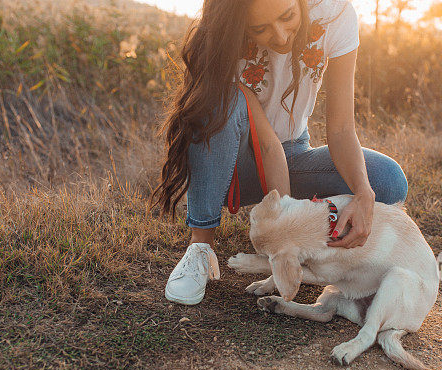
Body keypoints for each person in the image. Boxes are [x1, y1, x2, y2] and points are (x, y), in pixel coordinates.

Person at [153, 0, 409, 305]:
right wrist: (284, 228)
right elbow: (267, 146)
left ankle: (323, 248)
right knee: (220, 102)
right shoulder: (221, 36)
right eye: (259, 28)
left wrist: (364, 195)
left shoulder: (335, 13)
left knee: (387, 180)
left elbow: (340, 129)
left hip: (292, 149)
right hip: (227, 166)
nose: (281, 35)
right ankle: (200, 248)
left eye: (288, 16)